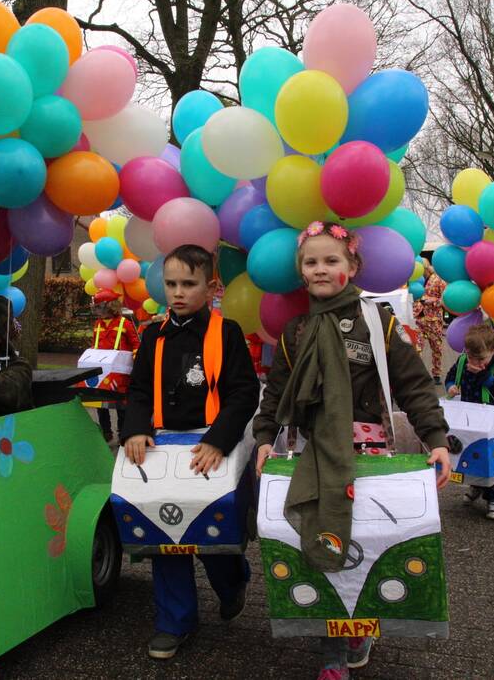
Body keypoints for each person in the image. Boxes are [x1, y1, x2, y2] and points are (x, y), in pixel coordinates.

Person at [251, 222, 451, 680]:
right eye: (311, 262)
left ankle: (360, 625)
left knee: (363, 541)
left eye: (331, 260)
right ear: (301, 272)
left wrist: (436, 439)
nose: (321, 269)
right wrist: (264, 439)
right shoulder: (293, 331)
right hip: (313, 456)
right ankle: (332, 656)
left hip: (371, 456)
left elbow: (414, 386)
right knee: (322, 542)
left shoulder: (378, 323)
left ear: (353, 266)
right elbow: (275, 394)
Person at [120, 244, 260, 661]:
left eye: (189, 283)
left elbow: (242, 392)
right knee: (166, 533)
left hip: (211, 447)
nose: (178, 292)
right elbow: (141, 389)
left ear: (211, 287)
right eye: (171, 284)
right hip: (164, 447)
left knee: (211, 535)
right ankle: (173, 621)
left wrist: (219, 439)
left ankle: (232, 581)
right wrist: (136, 429)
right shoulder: (152, 335)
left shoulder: (228, 333)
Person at [445, 323, 494, 521]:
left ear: (493, 350)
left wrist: (484, 375)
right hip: (471, 418)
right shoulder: (463, 360)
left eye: (481, 358)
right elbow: (450, 377)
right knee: (474, 453)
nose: (475, 362)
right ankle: (476, 485)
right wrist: (451, 386)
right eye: (471, 357)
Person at [90, 290, 140, 442]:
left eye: (99, 307)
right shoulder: (98, 324)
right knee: (100, 403)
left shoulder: (125, 323)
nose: (97, 311)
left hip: (120, 372)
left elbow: (136, 344)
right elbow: (94, 344)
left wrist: (136, 362)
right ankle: (106, 431)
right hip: (102, 371)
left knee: (121, 404)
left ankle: (122, 432)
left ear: (110, 306)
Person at [414, 259, 447, 384]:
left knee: (436, 348)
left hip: (434, 321)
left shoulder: (438, 280)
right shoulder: (414, 280)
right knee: (417, 348)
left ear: (426, 268)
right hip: (418, 319)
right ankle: (418, 375)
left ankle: (437, 374)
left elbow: (445, 301)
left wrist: (431, 301)